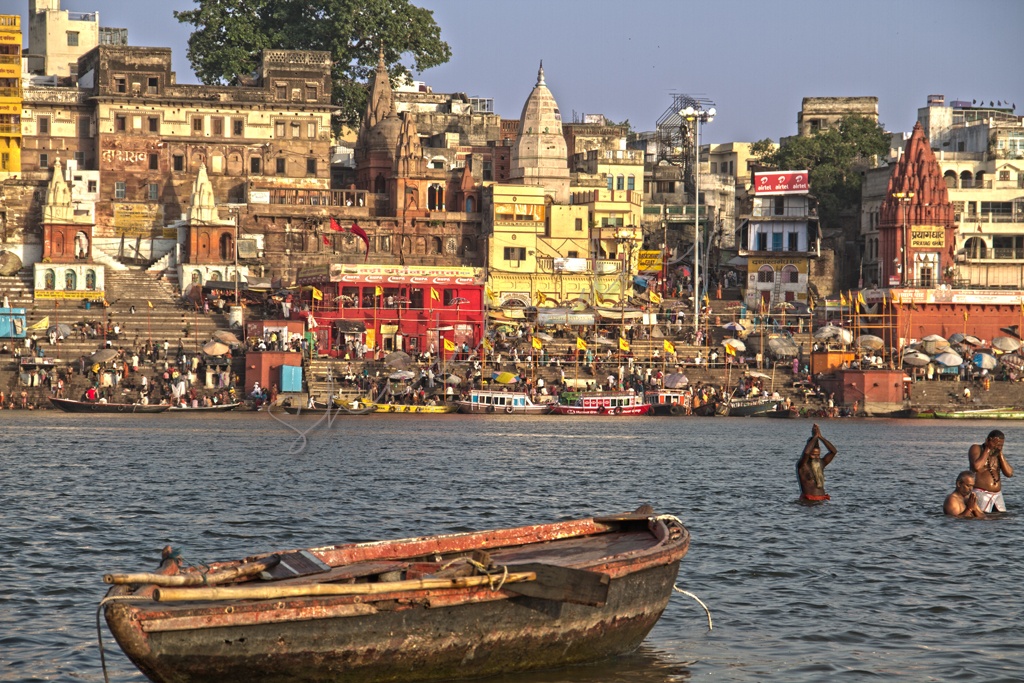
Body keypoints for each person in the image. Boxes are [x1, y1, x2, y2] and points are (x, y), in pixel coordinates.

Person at [968, 429, 1013, 512]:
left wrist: (1000, 454)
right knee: (982, 518)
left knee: (1001, 518)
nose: (998, 447)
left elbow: (1009, 473)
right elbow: (976, 467)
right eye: (996, 444)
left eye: (1001, 445)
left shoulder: (997, 454)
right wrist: (988, 449)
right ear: (988, 440)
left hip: (997, 495)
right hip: (981, 492)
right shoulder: (976, 448)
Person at [797, 423, 838, 501]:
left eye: (818, 455)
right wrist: (815, 437)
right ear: (809, 454)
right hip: (808, 502)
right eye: (813, 455)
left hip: (821, 500)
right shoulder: (802, 465)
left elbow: (833, 451)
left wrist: (820, 437)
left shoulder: (821, 463)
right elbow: (806, 453)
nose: (816, 457)